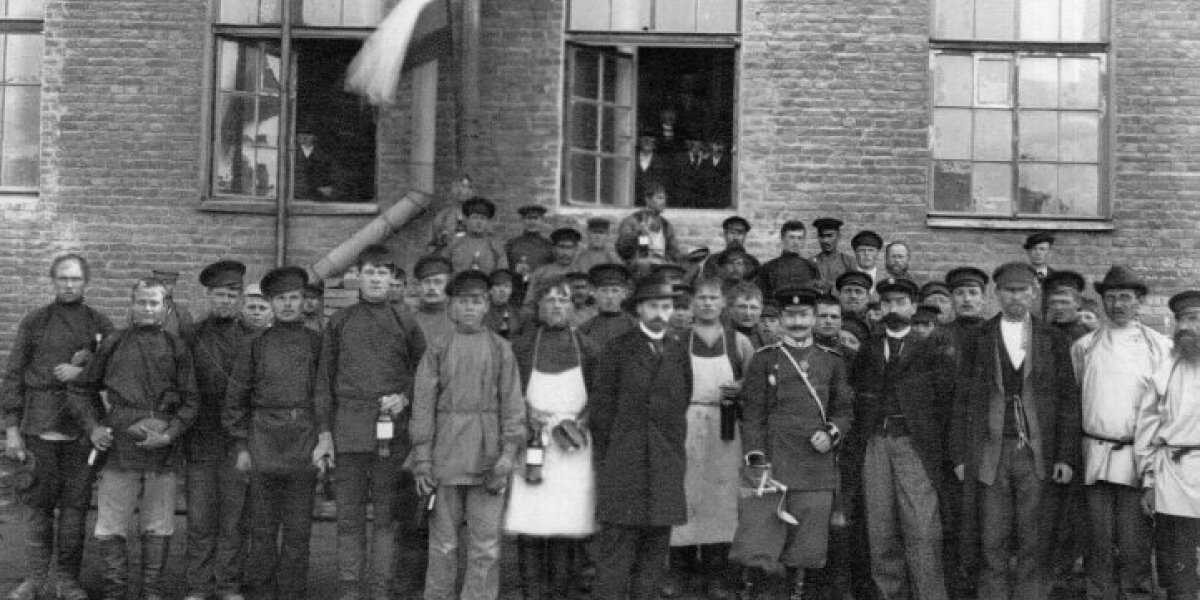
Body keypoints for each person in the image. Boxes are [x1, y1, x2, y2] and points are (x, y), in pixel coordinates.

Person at [952, 262, 1080, 600]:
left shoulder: (1052, 338)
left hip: (1036, 452)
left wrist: (1065, 456)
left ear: (1033, 293)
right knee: (991, 534)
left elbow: (1068, 400)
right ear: (997, 294)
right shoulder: (979, 337)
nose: (1016, 297)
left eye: (1022, 290)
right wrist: (960, 456)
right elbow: (961, 401)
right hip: (990, 451)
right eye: (1009, 291)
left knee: (1033, 535)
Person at [69, 278, 199, 600]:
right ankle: (115, 591)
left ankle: (151, 592)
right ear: (131, 304)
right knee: (111, 524)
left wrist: (169, 434)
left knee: (158, 524)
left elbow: (191, 401)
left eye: (154, 303)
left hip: (162, 449)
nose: (147, 308)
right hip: (119, 447)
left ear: (165, 308)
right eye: (141, 302)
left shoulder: (177, 348)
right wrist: (94, 427)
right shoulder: (113, 343)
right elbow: (81, 389)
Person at [313, 245, 429, 600]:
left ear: (392, 278)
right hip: (348, 433)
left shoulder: (405, 321)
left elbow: (424, 373)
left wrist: (405, 396)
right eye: (369, 272)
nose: (376, 279)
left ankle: (379, 591)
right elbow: (324, 381)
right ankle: (350, 590)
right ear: (357, 277)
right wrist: (325, 434)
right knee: (348, 520)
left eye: (383, 273)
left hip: (390, 437)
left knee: (384, 520)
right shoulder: (340, 321)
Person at [1, 254, 113, 600]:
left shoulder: (100, 324)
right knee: (38, 507)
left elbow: (117, 374)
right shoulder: (35, 321)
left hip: (83, 430)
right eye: (63, 278)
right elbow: (13, 375)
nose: (69, 284)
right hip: (40, 425)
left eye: (75, 279)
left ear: (86, 282)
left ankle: (67, 580)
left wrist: (83, 372)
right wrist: (11, 428)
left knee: (75, 509)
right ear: (53, 281)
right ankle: (35, 580)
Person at [410, 270, 526, 600]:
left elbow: (513, 406)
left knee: (486, 545)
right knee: (443, 543)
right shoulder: (438, 348)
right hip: (445, 456)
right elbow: (423, 405)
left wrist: (507, 455)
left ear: (487, 305)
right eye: (462, 302)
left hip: (489, 457)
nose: (470, 308)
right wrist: (422, 459)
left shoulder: (502, 349)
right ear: (451, 307)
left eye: (476, 301)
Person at [741, 286, 854, 600]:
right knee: (768, 542)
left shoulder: (832, 361)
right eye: (790, 316)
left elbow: (844, 411)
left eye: (804, 315)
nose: (797, 322)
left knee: (808, 546)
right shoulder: (765, 359)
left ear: (814, 318)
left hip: (815, 464)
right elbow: (753, 414)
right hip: (774, 463)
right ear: (780, 319)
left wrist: (831, 433)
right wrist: (756, 461)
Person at [222, 266, 322, 600]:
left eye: (294, 298)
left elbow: (324, 396)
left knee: (298, 532)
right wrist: (242, 446)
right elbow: (236, 398)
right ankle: (261, 593)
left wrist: (323, 442)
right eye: (281, 299)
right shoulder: (255, 345)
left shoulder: (317, 344)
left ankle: (291, 593)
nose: (288, 305)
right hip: (263, 443)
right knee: (262, 530)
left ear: (303, 301)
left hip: (304, 443)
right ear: (271, 303)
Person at [1071, 266, 1170, 600]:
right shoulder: (1085, 346)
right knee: (1097, 538)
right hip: (1095, 455)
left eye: (1125, 297)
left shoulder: (1159, 347)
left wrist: (1154, 465)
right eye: (1110, 298)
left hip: (1137, 457)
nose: (1117, 305)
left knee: (1134, 539)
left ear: (1139, 301)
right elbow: (1077, 395)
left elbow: (1165, 407)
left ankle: (1136, 593)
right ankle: (1098, 593)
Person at [590, 278, 692, 600]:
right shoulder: (618, 349)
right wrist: (615, 456)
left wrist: (670, 452)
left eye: (666, 306)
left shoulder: (678, 351)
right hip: (625, 463)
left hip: (665, 463)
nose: (660, 313)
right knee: (617, 552)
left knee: (654, 553)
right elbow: (601, 412)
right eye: (653, 306)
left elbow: (681, 403)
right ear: (638, 310)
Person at [852, 277, 952, 600]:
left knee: (922, 528)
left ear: (913, 307)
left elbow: (944, 404)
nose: (893, 308)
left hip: (913, 445)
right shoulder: (868, 349)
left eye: (900, 302)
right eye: (887, 303)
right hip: (875, 444)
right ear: (880, 307)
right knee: (880, 528)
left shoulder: (931, 349)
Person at [505, 278, 601, 600]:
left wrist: (580, 423)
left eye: (563, 300)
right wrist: (526, 415)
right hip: (533, 443)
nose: (557, 306)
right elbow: (508, 391)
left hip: (573, 446)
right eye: (549, 300)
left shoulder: (588, 348)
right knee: (531, 522)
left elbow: (600, 395)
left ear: (572, 307)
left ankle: (561, 591)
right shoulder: (521, 347)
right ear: (538, 307)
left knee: (565, 523)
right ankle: (531, 592)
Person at [665, 278, 754, 600]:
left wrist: (740, 388)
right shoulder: (677, 341)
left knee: (722, 501)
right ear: (692, 304)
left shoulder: (738, 342)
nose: (706, 303)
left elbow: (755, 381)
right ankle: (681, 573)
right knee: (684, 496)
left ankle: (718, 576)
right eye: (701, 298)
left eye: (713, 298)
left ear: (722, 304)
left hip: (724, 426)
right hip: (686, 424)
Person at [183, 260, 254, 600]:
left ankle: (228, 585)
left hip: (237, 441)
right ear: (208, 296)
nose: (225, 301)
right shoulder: (191, 336)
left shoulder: (253, 339)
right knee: (199, 519)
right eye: (219, 295)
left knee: (233, 519)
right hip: (200, 438)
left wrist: (246, 441)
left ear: (239, 299)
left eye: (231, 295)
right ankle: (198, 586)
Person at [1139, 290, 1200, 600]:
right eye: (1182, 320)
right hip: (1174, 474)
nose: (1186, 327)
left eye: (1194, 318)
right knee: (1177, 558)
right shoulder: (1166, 368)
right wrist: (1149, 480)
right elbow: (1147, 427)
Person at [616, 184, 682, 271]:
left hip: (662, 267)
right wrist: (638, 233)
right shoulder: (633, 221)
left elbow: (674, 252)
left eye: (664, 198)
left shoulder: (666, 225)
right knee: (644, 263)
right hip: (639, 267)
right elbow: (622, 248)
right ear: (648, 200)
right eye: (659, 198)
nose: (663, 202)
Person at [757, 220, 821, 301]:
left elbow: (816, 296)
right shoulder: (768, 268)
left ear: (803, 241)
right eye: (792, 237)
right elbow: (761, 298)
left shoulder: (811, 267)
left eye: (799, 238)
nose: (796, 242)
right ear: (782, 238)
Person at [505, 204, 555, 306]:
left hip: (540, 294)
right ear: (523, 220)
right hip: (517, 294)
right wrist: (515, 271)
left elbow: (553, 270)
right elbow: (505, 270)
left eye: (535, 218)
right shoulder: (512, 244)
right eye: (528, 218)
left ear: (541, 220)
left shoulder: (549, 245)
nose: (532, 222)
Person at [578, 263, 636, 350]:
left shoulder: (634, 326)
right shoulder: (585, 329)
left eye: (615, 291)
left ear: (624, 294)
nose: (609, 296)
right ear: (594, 293)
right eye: (604, 290)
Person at [525, 228, 583, 313]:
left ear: (576, 250)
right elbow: (529, 304)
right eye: (561, 247)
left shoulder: (581, 274)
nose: (565, 253)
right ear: (554, 248)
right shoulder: (540, 273)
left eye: (569, 248)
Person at [444, 197, 508, 274]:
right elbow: (443, 270)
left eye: (483, 218)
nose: (479, 222)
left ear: (488, 222)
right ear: (466, 220)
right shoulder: (455, 243)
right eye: (475, 218)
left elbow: (502, 274)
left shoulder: (495, 246)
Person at [697, 217, 760, 282]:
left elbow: (756, 285)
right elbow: (708, 283)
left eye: (740, 233)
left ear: (745, 236)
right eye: (732, 233)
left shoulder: (753, 262)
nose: (735, 237)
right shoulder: (713, 261)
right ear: (725, 234)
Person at [411, 255, 455, 345]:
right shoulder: (408, 322)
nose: (431, 287)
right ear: (417, 286)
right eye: (426, 282)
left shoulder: (459, 321)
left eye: (438, 282)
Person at [427, 175, 475, 255]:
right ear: (453, 189)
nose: (464, 191)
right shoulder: (443, 216)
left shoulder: (477, 217)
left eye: (469, 187)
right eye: (461, 186)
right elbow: (432, 244)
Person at [1043, 270, 1090, 342]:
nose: (1058, 307)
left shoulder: (1088, 336)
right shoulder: (1042, 332)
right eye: (1053, 302)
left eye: (1064, 302)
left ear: (1078, 303)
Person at [811, 218, 857, 289]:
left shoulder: (849, 262)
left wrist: (829, 286)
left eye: (830, 236)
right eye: (822, 236)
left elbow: (853, 286)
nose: (825, 240)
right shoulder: (811, 262)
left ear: (839, 236)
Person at [726, 281, 772, 349]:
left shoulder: (772, 341)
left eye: (753, 307)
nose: (748, 313)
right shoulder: (719, 339)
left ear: (761, 310)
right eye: (742, 307)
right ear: (730, 309)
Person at [153, 268, 196, 341]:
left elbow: (189, 341)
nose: (163, 286)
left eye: (168, 283)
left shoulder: (181, 313)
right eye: (159, 283)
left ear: (174, 285)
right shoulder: (143, 310)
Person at [483, 269, 524, 339]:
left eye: (507, 286)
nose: (502, 290)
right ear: (490, 290)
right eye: (498, 285)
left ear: (511, 291)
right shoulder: (481, 311)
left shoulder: (516, 313)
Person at [293, 131, 334, 200]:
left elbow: (328, 177)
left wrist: (325, 187)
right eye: (301, 134)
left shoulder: (323, 155)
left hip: (315, 196)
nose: (305, 137)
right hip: (294, 194)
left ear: (315, 137)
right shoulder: (290, 152)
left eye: (309, 134)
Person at [836, 271, 873, 339]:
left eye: (858, 291)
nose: (853, 296)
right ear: (839, 295)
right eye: (847, 291)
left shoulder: (875, 323)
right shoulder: (829, 319)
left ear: (868, 297)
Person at [635, 135, 671, 205]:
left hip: (653, 200)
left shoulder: (661, 161)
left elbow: (663, 181)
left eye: (650, 140)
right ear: (640, 141)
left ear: (654, 144)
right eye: (645, 139)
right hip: (632, 198)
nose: (647, 142)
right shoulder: (632, 158)